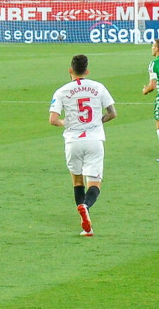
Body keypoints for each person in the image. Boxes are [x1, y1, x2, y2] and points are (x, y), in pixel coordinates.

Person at [50, 53, 117, 237]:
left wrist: (67, 123)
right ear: (87, 71)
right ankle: (85, 206)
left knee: (77, 181)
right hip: (94, 140)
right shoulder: (99, 87)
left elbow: (53, 120)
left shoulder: (61, 91)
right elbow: (112, 113)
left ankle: (85, 226)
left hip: (73, 141)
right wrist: (96, 122)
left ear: (70, 70)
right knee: (95, 184)